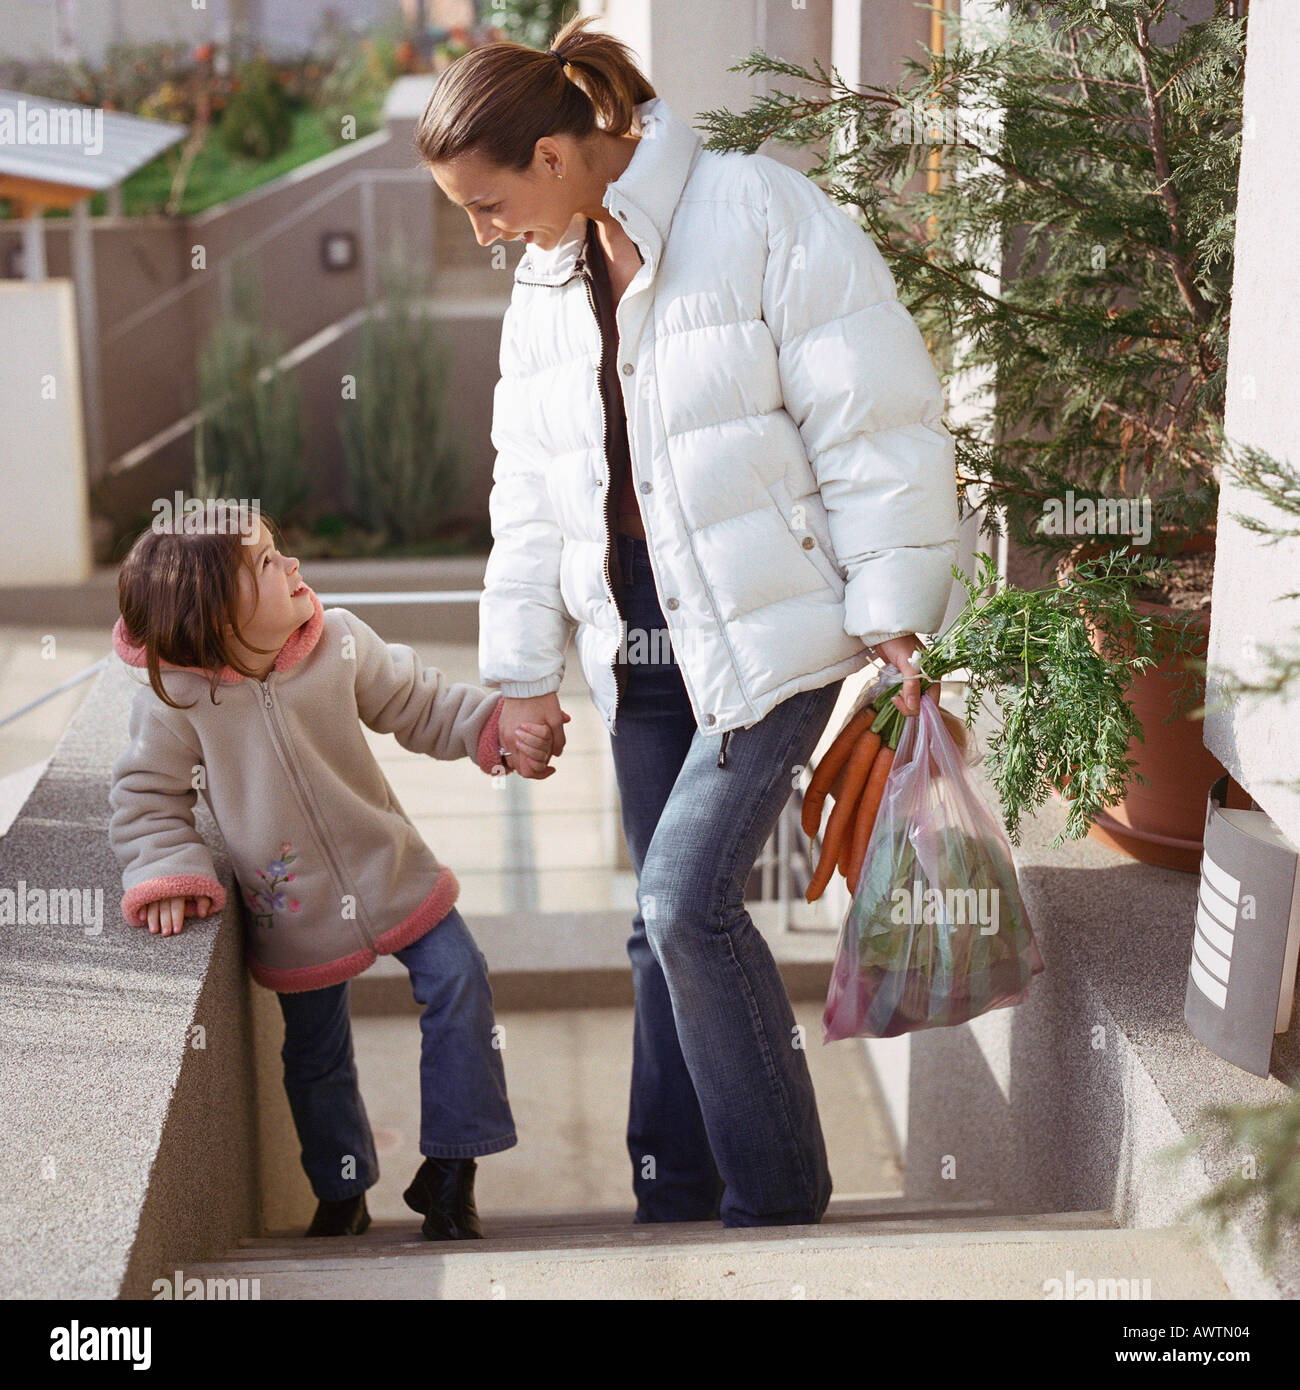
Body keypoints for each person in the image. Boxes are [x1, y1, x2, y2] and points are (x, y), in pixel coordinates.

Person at [418, 15, 957, 1226]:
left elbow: (872, 412)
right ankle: (672, 1191)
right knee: (653, 927)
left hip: (774, 629)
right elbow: (527, 499)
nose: (483, 233)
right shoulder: (543, 288)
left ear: (555, 157)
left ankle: (776, 1204)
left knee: (683, 902)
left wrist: (889, 605)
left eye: (488, 203)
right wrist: (518, 674)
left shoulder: (756, 210)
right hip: (638, 645)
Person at [107, 512, 557, 1240]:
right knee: (316, 1056)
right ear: (215, 613)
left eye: (281, 551)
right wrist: (169, 870)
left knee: (461, 979)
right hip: (292, 911)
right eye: (265, 564)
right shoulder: (179, 703)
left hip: (394, 871)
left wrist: (496, 730)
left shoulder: (339, 641)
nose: (291, 566)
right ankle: (343, 1192)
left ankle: (450, 1173)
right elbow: (146, 798)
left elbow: (421, 704)